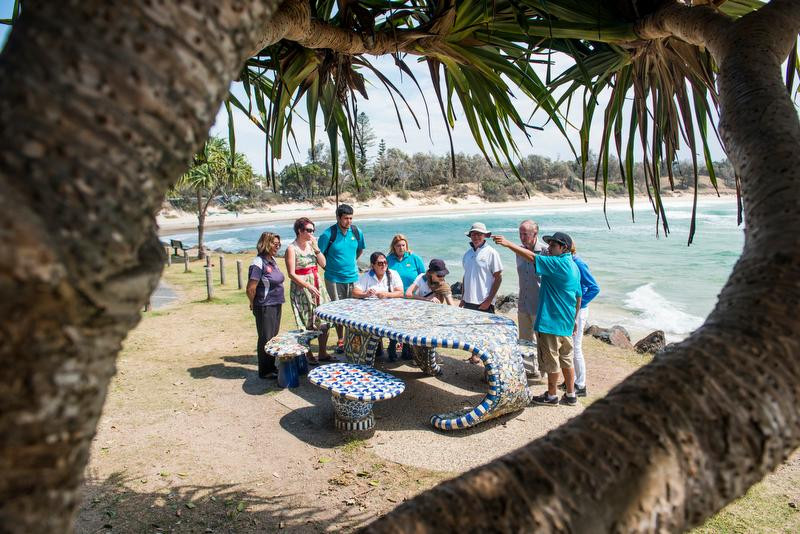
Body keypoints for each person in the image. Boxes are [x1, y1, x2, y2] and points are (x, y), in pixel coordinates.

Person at [493, 231, 581, 406]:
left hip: (550, 322)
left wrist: (508, 244)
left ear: (564, 248)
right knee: (566, 359)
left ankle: (551, 395)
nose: (549, 248)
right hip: (565, 322)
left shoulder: (558, 263)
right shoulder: (573, 266)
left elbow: (532, 257)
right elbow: (578, 296)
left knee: (551, 361)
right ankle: (571, 394)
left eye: (553, 245)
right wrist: (574, 319)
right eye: (549, 244)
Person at [317, 204, 366, 353]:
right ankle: (340, 340)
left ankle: (352, 339)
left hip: (353, 277)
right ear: (338, 218)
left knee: (353, 310)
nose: (349, 221)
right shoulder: (328, 234)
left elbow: (360, 250)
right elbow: (319, 253)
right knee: (338, 311)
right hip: (334, 279)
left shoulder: (357, 232)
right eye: (346, 218)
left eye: (351, 218)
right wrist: (328, 268)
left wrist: (351, 264)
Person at [285, 217, 331, 364]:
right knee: (307, 321)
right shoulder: (291, 248)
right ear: (300, 231)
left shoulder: (312, 246)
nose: (312, 233)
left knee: (324, 319)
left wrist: (317, 248)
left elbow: (324, 264)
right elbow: (291, 273)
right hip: (302, 287)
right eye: (309, 230)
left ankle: (322, 352)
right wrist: (307, 285)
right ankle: (308, 354)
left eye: (313, 230)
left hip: (317, 284)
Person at [559, 240, 600, 397]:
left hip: (578, 311)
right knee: (567, 347)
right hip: (569, 310)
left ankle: (581, 385)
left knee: (576, 348)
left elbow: (594, 288)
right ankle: (572, 380)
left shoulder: (578, 263)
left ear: (566, 248)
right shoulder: (568, 262)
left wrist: (580, 303)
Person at [460, 222, 503, 364]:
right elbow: (466, 276)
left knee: (487, 335)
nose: (476, 236)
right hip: (468, 300)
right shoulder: (467, 254)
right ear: (470, 236)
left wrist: (489, 300)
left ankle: (489, 366)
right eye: (473, 234)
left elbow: (498, 277)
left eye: (479, 234)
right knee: (471, 332)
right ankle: (474, 357)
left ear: (485, 236)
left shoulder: (491, 253)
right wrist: (463, 297)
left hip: (484, 301)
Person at [246, 231, 285, 379]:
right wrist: (253, 303)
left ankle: (271, 366)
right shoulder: (258, 262)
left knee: (272, 337)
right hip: (265, 305)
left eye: (278, 244)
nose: (277, 246)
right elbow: (251, 288)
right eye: (275, 244)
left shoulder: (272, 260)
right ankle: (265, 370)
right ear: (266, 244)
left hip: (276, 303)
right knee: (265, 337)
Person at [513, 220, 547, 378]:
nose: (522, 237)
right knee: (524, 339)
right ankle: (528, 370)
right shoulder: (518, 251)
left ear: (535, 234)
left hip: (540, 305)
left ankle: (544, 371)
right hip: (523, 303)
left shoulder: (546, 252)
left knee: (542, 341)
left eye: (525, 233)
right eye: (520, 233)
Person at [386, 234, 425, 360]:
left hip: (412, 299)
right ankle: (391, 349)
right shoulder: (389, 259)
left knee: (408, 325)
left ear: (407, 246)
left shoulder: (414, 258)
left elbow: (423, 277)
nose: (401, 248)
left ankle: (406, 351)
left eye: (403, 245)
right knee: (393, 324)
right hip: (394, 298)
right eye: (398, 246)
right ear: (394, 247)